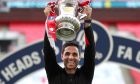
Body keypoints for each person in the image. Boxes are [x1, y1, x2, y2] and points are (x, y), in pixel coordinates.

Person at [43, 4, 95, 84]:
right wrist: (50, 20)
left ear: (79, 57)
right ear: (62, 56)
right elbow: (48, 51)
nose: (71, 57)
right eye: (67, 53)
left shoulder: (85, 75)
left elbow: (90, 50)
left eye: (74, 54)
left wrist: (87, 21)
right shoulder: (54, 73)